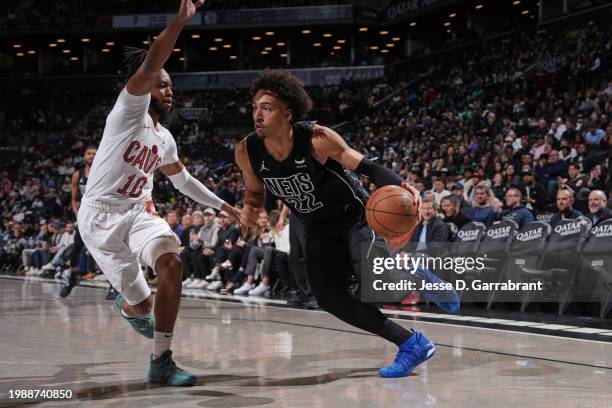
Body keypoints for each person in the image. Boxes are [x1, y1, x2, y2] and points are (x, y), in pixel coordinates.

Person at [235, 69, 458, 379]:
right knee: (329, 298)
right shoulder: (246, 151)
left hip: (352, 218)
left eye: (267, 107)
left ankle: (417, 275)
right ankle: (412, 343)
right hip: (315, 227)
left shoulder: (317, 138)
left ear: (287, 114)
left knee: (382, 288)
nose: (257, 114)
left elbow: (367, 167)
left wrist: (403, 185)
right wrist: (249, 209)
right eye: (255, 106)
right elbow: (254, 191)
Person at [77, 0, 239, 387]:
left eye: (171, 86)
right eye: (163, 84)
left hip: (137, 213)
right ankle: (131, 306)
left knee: (172, 264)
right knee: (144, 307)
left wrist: (222, 205)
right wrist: (180, 22)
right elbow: (151, 64)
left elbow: (182, 181)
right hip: (99, 218)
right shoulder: (125, 112)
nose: (170, 91)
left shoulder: (164, 139)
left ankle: (162, 361)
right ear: (147, 85)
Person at [60, 146, 99, 298]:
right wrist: (78, 214)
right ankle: (72, 277)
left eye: (94, 154)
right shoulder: (77, 175)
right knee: (76, 248)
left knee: (106, 248)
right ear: (84, 156)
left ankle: (113, 285)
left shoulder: (103, 172)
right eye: (89, 153)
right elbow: (74, 199)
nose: (91, 156)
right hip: (84, 215)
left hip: (101, 214)